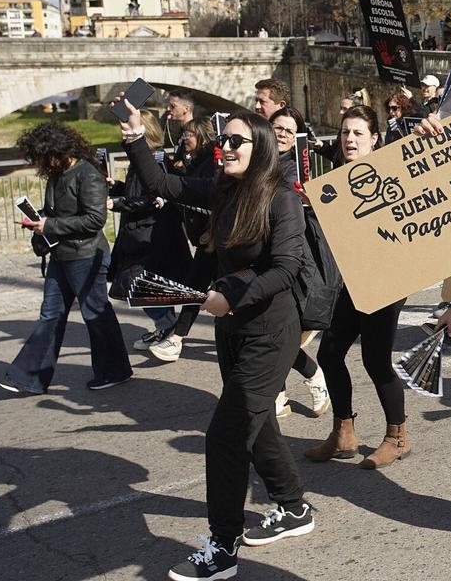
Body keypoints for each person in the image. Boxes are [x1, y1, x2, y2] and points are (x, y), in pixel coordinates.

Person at [118, 103, 314, 579]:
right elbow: (165, 184)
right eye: (223, 140)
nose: (224, 148)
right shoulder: (224, 190)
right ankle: (294, 507)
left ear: (261, 147)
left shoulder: (281, 198)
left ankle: (222, 546)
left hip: (271, 332)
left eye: (236, 141)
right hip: (232, 331)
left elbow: (285, 268)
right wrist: (134, 139)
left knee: (225, 437)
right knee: (257, 421)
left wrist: (230, 291)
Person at [304, 105, 411, 470]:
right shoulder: (333, 178)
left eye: (358, 133)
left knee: (375, 361)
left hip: (386, 280)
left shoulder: (390, 174)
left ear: (375, 139)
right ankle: (343, 433)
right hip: (351, 282)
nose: (349, 139)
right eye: (345, 132)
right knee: (330, 354)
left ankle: (398, 437)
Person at [0, 122, 132, 395]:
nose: (42, 163)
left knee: (96, 314)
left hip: (86, 256)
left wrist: (49, 225)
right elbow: (59, 211)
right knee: (51, 315)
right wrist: (38, 219)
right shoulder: (57, 174)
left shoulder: (88, 175)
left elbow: (95, 220)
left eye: (44, 157)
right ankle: (29, 378)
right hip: (62, 255)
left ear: (59, 151)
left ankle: (114, 370)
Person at [106, 110, 192, 352]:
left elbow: (154, 197)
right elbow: (138, 192)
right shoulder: (144, 158)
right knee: (145, 286)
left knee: (142, 286)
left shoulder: (156, 160)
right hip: (141, 232)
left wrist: (117, 203)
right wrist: (118, 188)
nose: (123, 133)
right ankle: (166, 326)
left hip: (152, 234)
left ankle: (169, 327)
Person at [268, 106, 331, 418]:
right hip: (262, 261)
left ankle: (313, 375)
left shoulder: (297, 173)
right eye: (276, 128)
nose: (281, 134)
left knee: (282, 335)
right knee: (271, 333)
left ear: (297, 140)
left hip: (293, 264)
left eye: (288, 131)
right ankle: (281, 390)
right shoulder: (256, 163)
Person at [150, 117, 218, 363]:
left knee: (198, 288)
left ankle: (176, 338)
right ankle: (176, 338)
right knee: (197, 288)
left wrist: (214, 228)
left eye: (189, 134)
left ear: (202, 136)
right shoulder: (196, 161)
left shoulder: (213, 163)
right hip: (205, 240)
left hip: (214, 240)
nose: (183, 138)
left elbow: (215, 198)